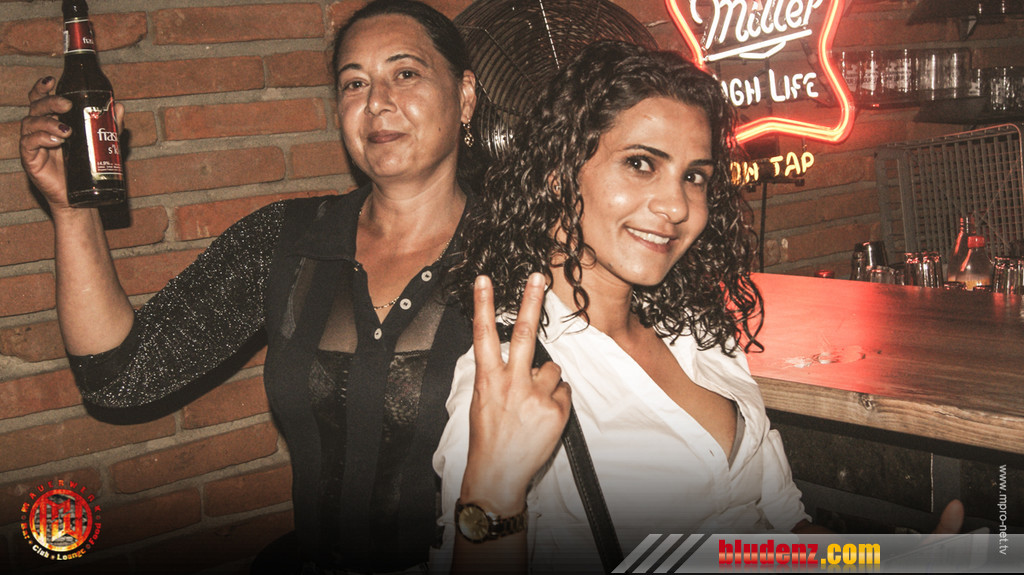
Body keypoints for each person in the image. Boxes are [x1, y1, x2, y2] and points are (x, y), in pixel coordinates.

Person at [432, 41, 963, 573]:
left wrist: (881, 560)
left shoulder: (694, 327)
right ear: (558, 173)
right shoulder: (509, 376)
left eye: (694, 176)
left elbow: (776, 535)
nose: (677, 206)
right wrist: (494, 490)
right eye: (640, 163)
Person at [18, 0, 478, 572]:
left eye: (404, 73)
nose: (376, 102)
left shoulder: (524, 252)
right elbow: (120, 380)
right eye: (354, 83)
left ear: (464, 96)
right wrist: (72, 211)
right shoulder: (286, 239)